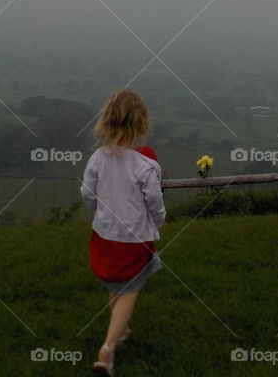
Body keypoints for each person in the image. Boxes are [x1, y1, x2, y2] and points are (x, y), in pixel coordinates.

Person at [81, 89, 165, 376]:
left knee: (116, 285)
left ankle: (122, 329)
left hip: (104, 235)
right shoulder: (145, 164)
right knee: (129, 291)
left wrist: (98, 213)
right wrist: (159, 221)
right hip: (134, 239)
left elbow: (87, 193)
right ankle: (107, 351)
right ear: (141, 123)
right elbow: (154, 201)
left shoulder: (97, 158)